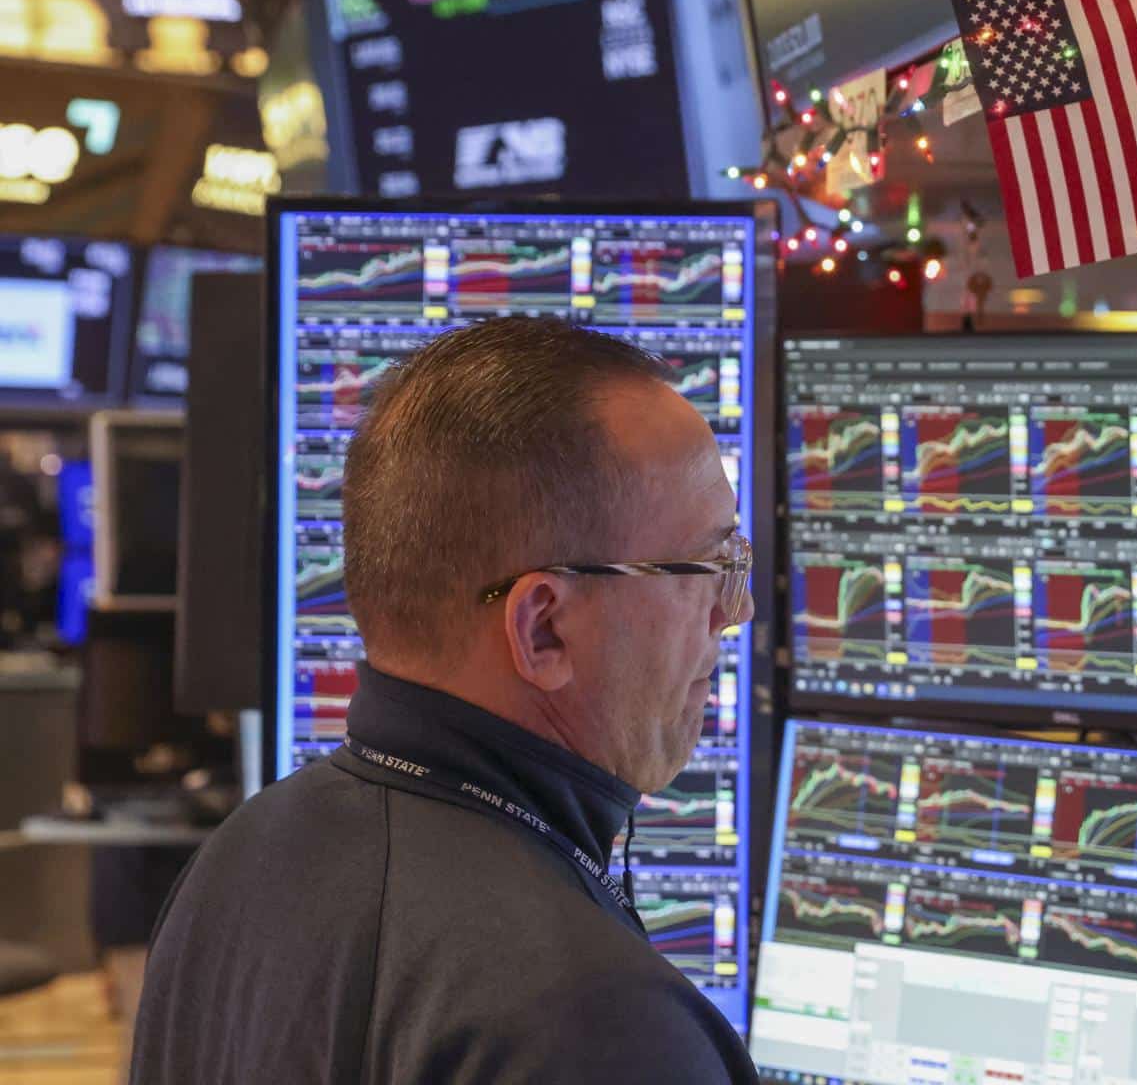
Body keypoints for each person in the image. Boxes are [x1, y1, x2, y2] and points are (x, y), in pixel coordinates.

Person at [131, 318, 759, 1083]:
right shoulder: (599, 1022)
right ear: (544, 629)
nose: (736, 609)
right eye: (709, 565)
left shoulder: (238, 857)